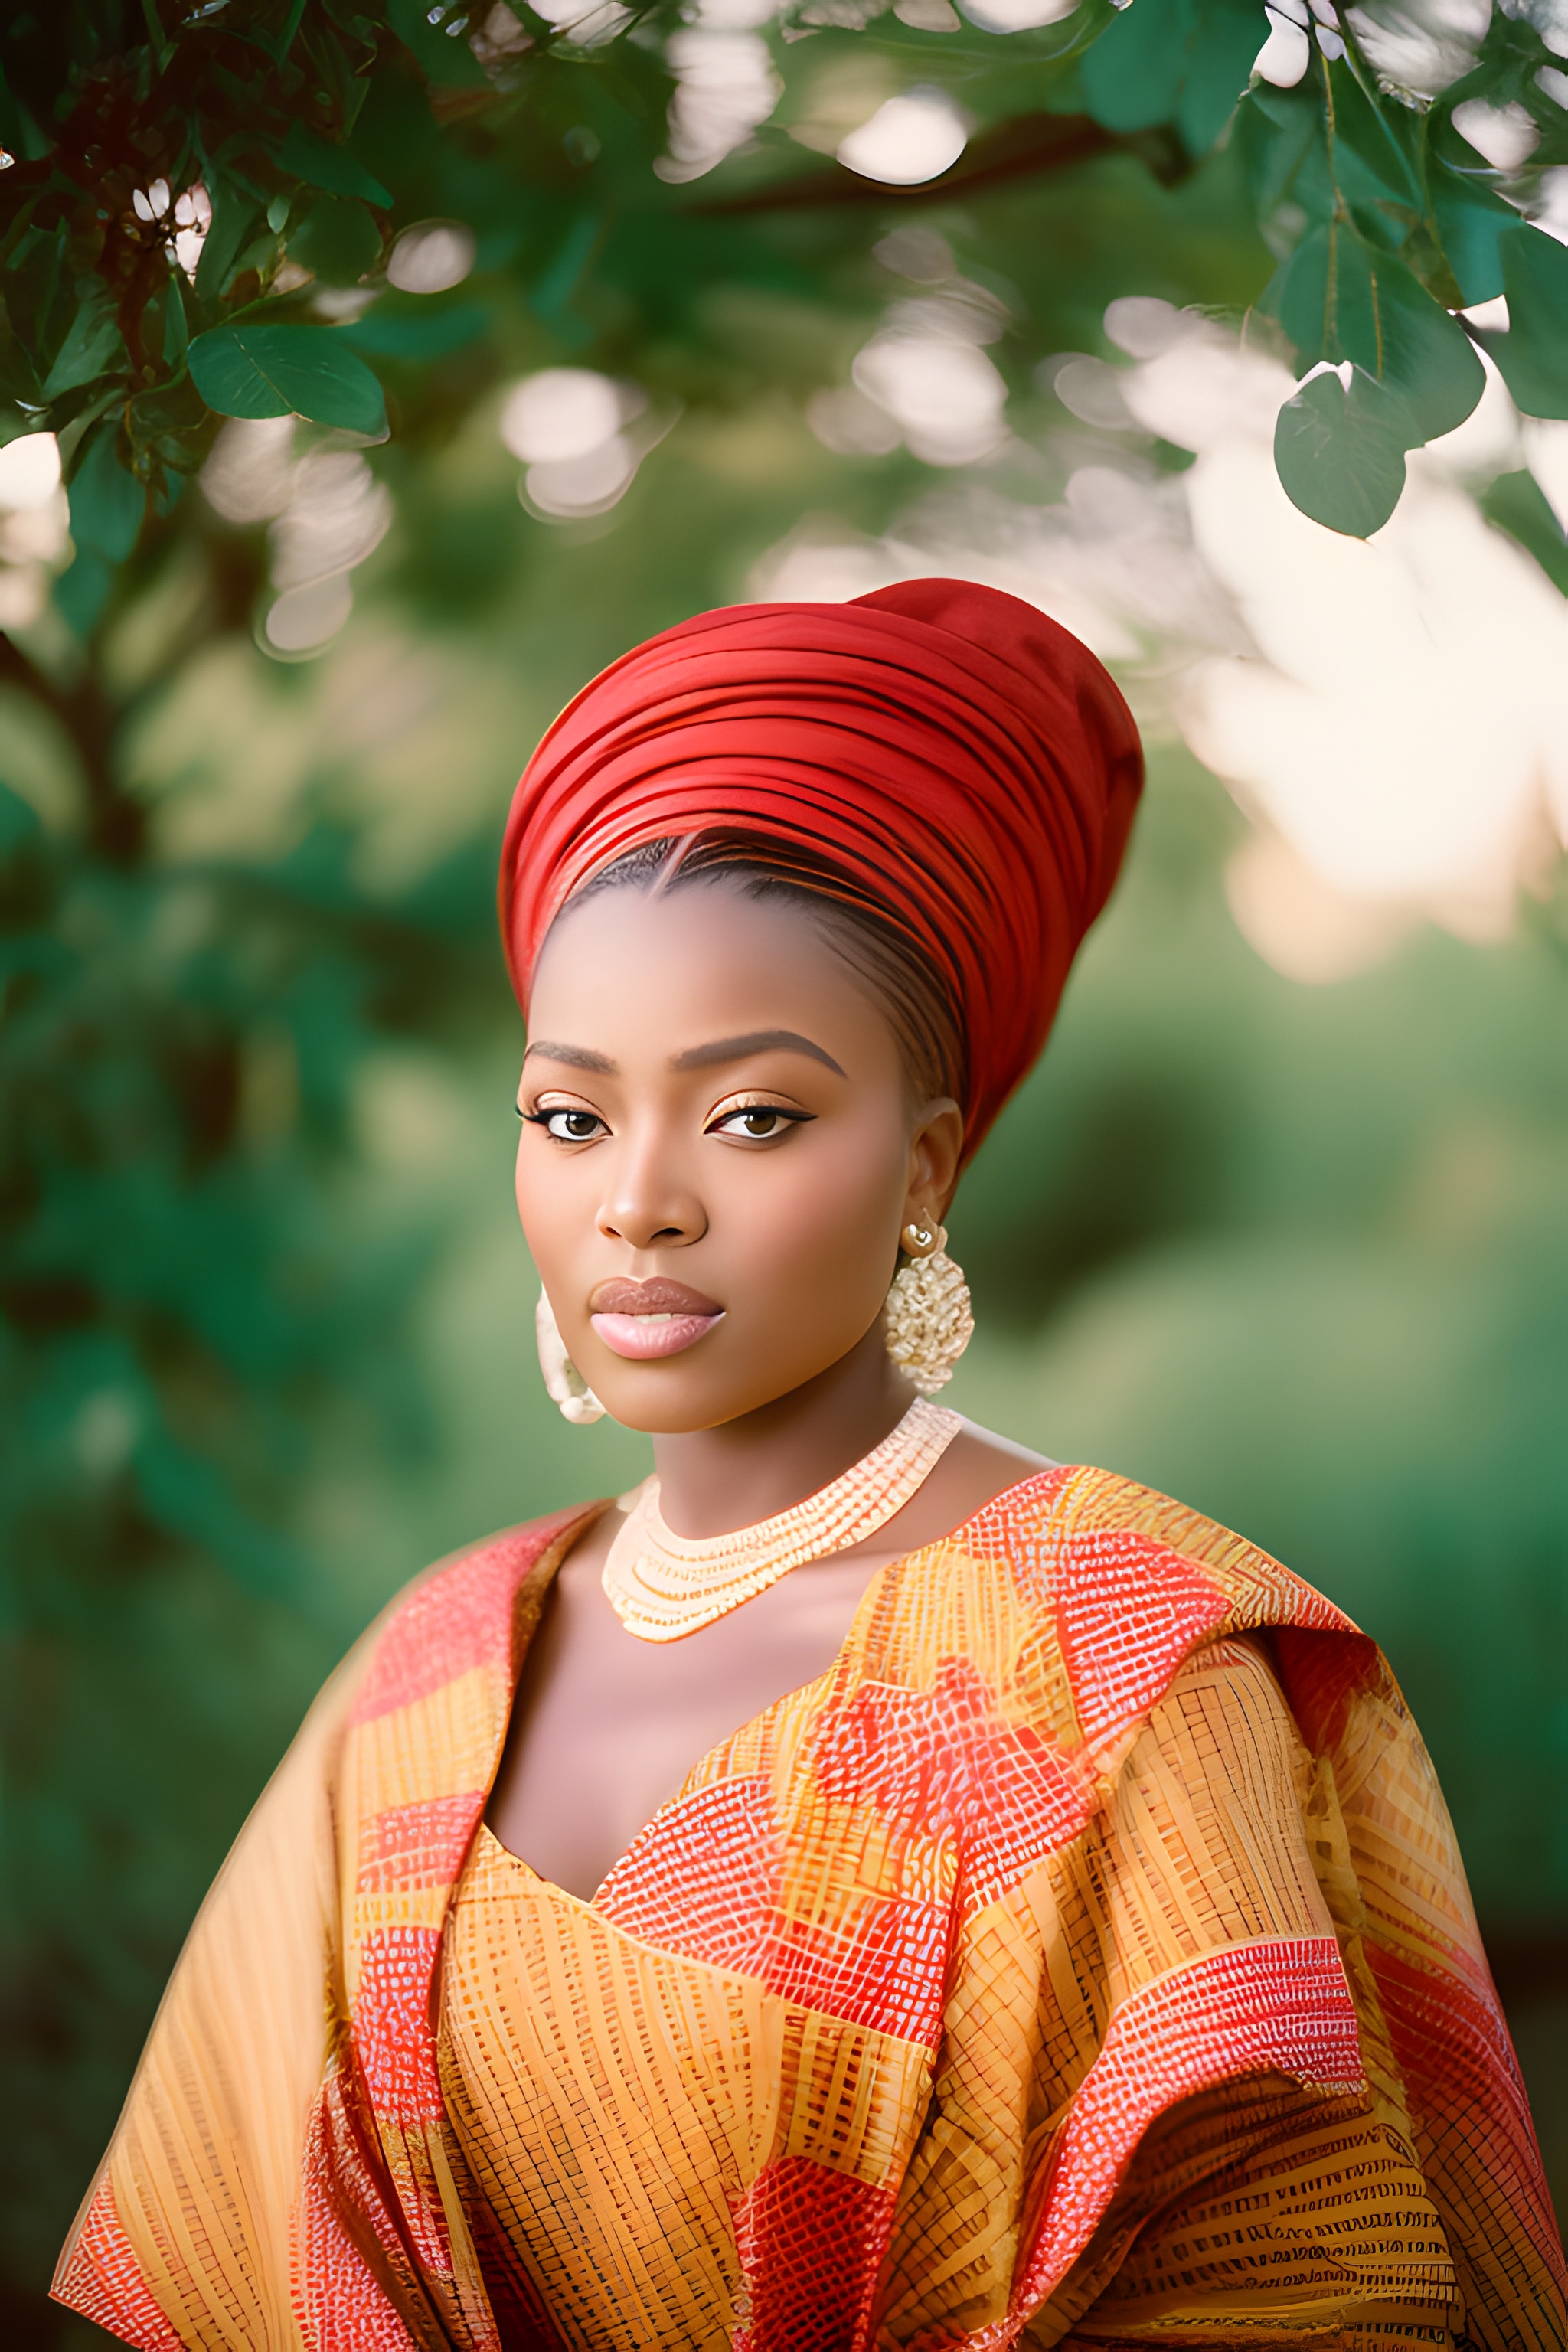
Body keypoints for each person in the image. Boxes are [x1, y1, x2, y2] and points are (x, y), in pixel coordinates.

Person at [54, 583, 1564, 2352]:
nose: (638, 1200)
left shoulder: (1124, 1664)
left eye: (752, 1114)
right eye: (570, 1115)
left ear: (926, 1167)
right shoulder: (424, 1667)